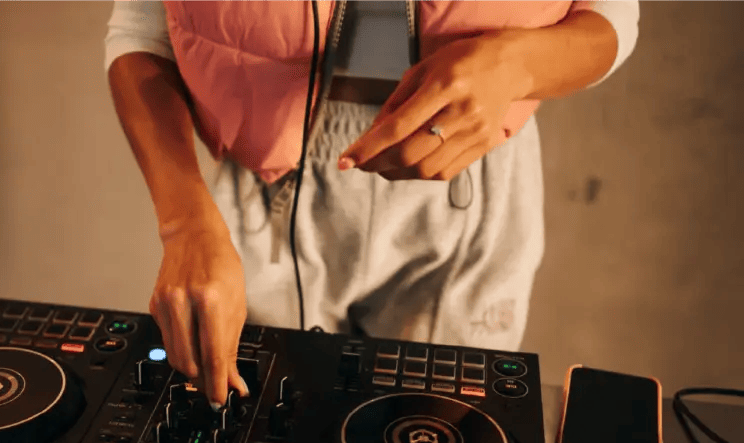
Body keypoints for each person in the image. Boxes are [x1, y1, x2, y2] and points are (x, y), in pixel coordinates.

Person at [104, 0, 639, 409]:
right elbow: (142, 23)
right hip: (262, 185)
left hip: (466, 167)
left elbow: (613, 12)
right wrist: (184, 226)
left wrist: (516, 65)